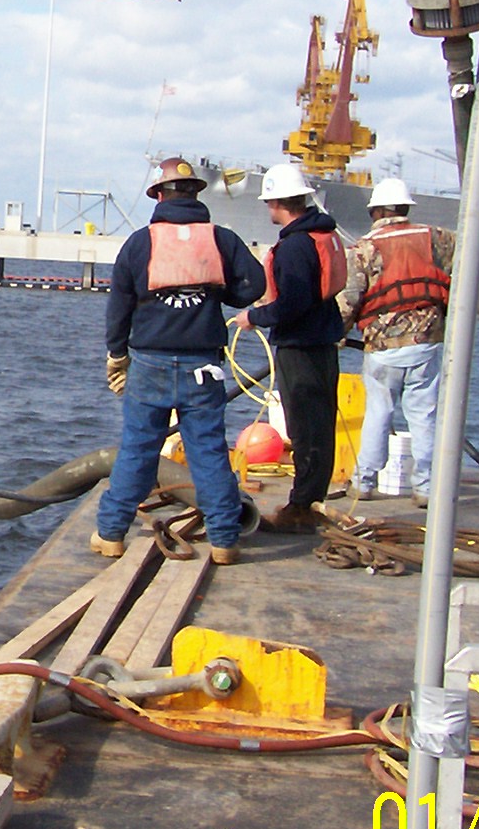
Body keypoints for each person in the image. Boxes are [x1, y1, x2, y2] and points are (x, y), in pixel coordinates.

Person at [95, 156, 266, 564]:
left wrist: (117, 355)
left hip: (149, 363)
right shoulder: (221, 239)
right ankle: (224, 540)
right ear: (195, 195)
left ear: (158, 196)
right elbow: (254, 284)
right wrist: (222, 294)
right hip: (202, 367)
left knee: (138, 450)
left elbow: (119, 306)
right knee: (207, 451)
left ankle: (112, 535)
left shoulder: (140, 242)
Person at [229, 163, 346, 532]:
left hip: (302, 348)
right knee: (320, 428)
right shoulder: (320, 235)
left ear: (279, 202)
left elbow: (293, 303)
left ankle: (301, 508)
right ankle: (312, 500)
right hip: (323, 345)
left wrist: (255, 317)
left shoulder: (295, 247)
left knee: (306, 429)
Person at [337, 177, 454, 506]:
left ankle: (364, 482)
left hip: (383, 346)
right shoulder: (435, 238)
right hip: (427, 340)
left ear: (375, 211)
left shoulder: (363, 248)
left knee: (379, 411)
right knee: (424, 414)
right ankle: (426, 487)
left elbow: (349, 300)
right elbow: (476, 238)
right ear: (405, 209)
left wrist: (339, 333)